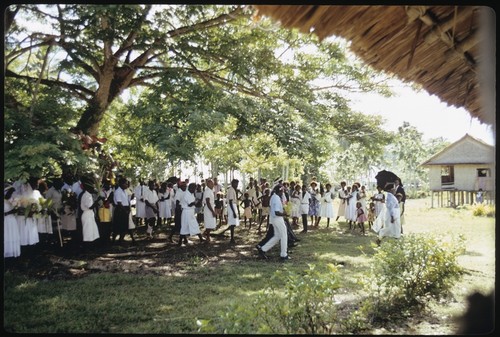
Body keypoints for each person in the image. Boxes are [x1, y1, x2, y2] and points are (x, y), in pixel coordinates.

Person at [256, 184, 290, 261]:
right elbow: (277, 212)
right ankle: (283, 255)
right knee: (284, 236)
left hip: (274, 219)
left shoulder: (274, 197)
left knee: (277, 236)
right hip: (278, 219)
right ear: (280, 190)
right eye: (283, 191)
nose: (283, 192)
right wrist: (285, 214)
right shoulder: (277, 198)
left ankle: (263, 249)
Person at [79, 176, 100, 250]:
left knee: (92, 231)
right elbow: (90, 206)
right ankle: (87, 248)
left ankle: (91, 246)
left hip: (90, 214)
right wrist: (97, 201)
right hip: (86, 214)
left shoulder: (89, 195)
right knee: (87, 231)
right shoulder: (86, 195)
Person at [112, 177, 135, 244]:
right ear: (121, 184)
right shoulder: (118, 191)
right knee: (118, 226)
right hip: (121, 210)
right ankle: (113, 241)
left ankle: (120, 240)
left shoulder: (124, 191)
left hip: (125, 209)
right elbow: (119, 203)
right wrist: (125, 210)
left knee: (125, 226)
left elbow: (127, 200)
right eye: (125, 184)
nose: (127, 185)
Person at [4, 184, 21, 258]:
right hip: (6, 220)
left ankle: (11, 252)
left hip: (12, 220)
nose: (11, 194)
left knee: (11, 235)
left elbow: (16, 207)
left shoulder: (12, 199)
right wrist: (9, 212)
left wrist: (16, 208)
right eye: (10, 192)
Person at [226, 179, 240, 244]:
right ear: (232, 183)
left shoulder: (233, 190)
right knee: (232, 223)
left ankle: (232, 238)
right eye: (235, 183)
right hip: (231, 206)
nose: (236, 185)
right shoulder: (231, 190)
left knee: (233, 223)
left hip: (233, 206)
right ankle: (232, 238)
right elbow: (231, 201)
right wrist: (234, 212)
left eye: (237, 184)